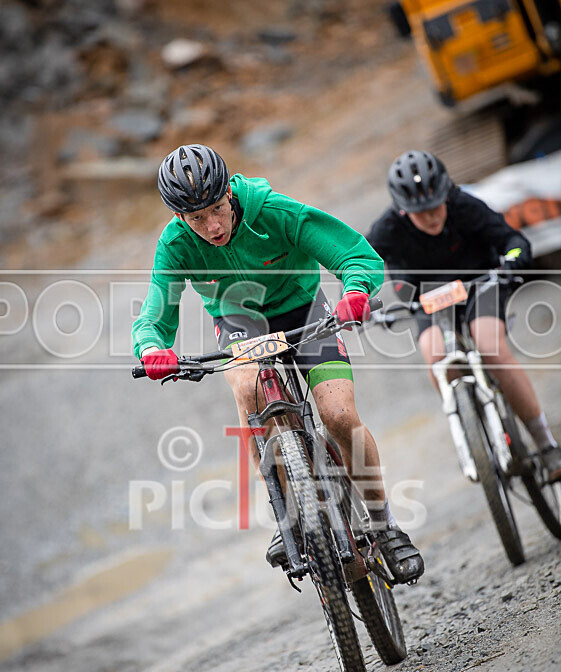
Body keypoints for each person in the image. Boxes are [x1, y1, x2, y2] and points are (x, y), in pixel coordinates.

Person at [132, 143, 424, 583]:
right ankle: (285, 512)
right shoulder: (174, 246)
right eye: (196, 219)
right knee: (246, 388)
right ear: (178, 218)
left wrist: (356, 291)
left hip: (303, 309)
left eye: (216, 210)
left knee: (338, 414)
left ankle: (385, 527)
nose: (211, 227)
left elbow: (354, 254)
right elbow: (155, 315)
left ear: (229, 193)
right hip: (239, 321)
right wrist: (151, 348)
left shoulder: (273, 210)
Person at [366, 149, 561, 482]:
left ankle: (545, 444)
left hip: (479, 282)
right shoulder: (388, 227)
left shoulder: (464, 206)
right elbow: (360, 262)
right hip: (427, 296)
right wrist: (362, 299)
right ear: (402, 210)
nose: (430, 217)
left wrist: (512, 260)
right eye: (419, 212)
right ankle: (467, 425)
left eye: (435, 205)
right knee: (436, 356)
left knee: (489, 345)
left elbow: (513, 240)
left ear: (447, 193)